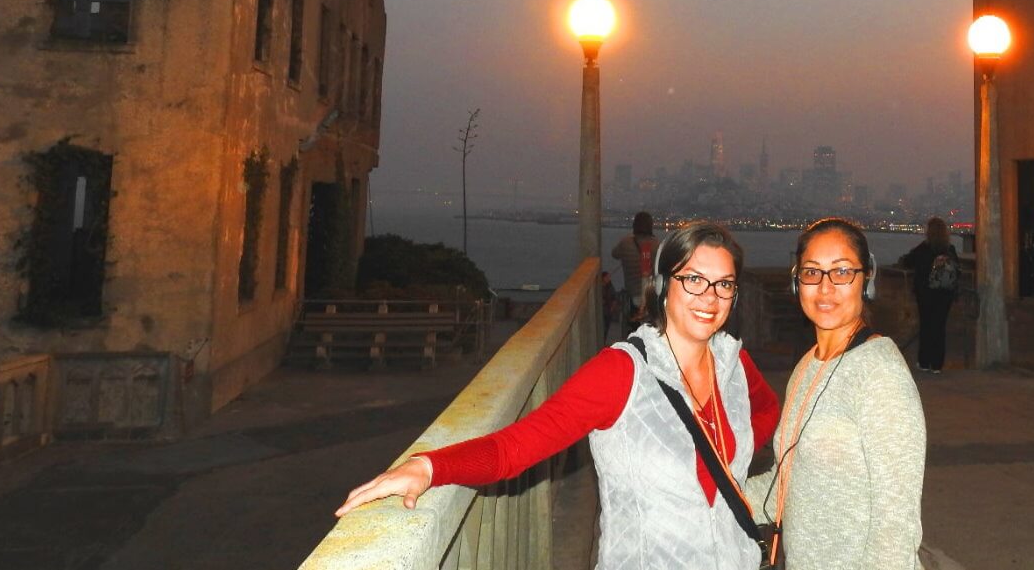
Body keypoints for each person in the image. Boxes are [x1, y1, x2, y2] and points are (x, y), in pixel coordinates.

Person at [337, 222, 781, 570]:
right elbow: (515, 447)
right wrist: (430, 466)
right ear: (664, 286)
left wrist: (732, 463)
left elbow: (766, 411)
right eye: (694, 280)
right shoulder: (622, 372)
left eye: (724, 284)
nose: (711, 297)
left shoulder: (732, 363)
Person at [748, 217, 926, 569]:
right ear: (797, 282)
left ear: (866, 280)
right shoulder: (806, 367)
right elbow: (786, 484)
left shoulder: (880, 372)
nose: (825, 287)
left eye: (842, 272)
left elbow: (896, 526)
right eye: (812, 272)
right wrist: (714, 495)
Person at [898, 216, 961, 373]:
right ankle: (937, 365)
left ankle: (924, 362)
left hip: (926, 294)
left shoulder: (924, 249)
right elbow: (957, 270)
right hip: (945, 294)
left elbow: (907, 261)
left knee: (926, 326)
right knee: (939, 327)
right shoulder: (950, 249)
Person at [612, 210, 659, 325]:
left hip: (631, 295)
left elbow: (614, 254)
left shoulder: (625, 242)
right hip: (650, 296)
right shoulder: (656, 245)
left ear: (634, 225)